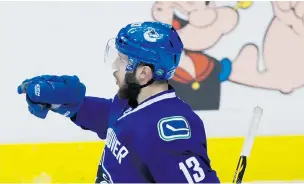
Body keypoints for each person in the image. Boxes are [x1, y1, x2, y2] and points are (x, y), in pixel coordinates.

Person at [17, 21, 220, 183]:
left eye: (121, 61)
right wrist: (72, 105)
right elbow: (118, 122)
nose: (114, 66)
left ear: (143, 73)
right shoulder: (132, 101)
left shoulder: (168, 135)